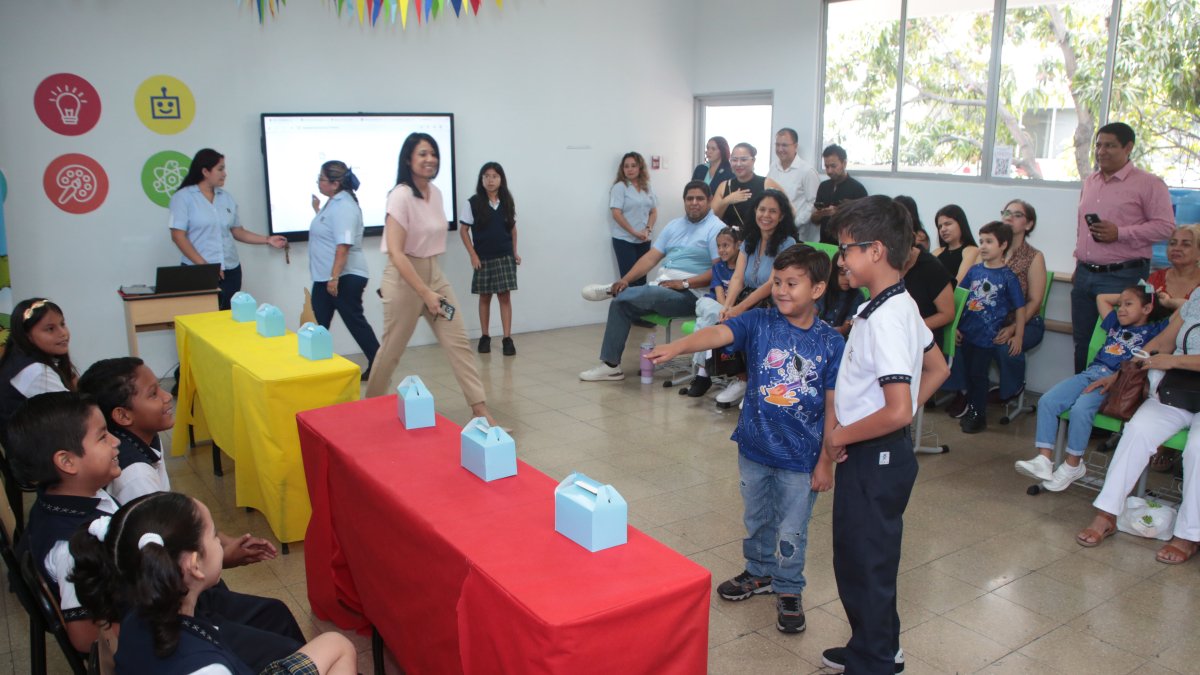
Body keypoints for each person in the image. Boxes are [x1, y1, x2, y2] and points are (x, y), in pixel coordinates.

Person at [9, 392, 307, 669]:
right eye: (102, 437)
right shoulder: (67, 546)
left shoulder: (80, 496)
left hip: (173, 603)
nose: (115, 442)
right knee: (281, 649)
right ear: (66, 461)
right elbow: (84, 637)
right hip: (163, 630)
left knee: (275, 613)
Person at [647, 244, 843, 635]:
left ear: (818, 289)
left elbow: (835, 406)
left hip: (801, 458)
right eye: (777, 282)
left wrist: (826, 460)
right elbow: (719, 332)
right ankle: (759, 571)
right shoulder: (759, 322)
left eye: (792, 283)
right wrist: (678, 346)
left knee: (792, 529)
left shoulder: (831, 343)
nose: (782, 290)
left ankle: (789, 587)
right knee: (756, 517)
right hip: (754, 446)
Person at [822, 196, 949, 675]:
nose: (842, 259)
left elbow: (896, 409)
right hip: (876, 446)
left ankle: (875, 663)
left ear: (876, 250)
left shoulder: (891, 317)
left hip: (873, 452)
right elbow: (938, 366)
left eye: (847, 249)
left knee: (865, 565)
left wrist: (846, 434)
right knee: (861, 557)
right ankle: (875, 646)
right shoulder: (892, 304)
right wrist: (894, 413)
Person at [69, 492, 358, 675]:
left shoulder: (137, 616)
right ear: (194, 565)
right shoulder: (205, 666)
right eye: (214, 537)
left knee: (332, 644)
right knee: (337, 644)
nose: (220, 543)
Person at [365, 133, 495, 426]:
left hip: (433, 273)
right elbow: (397, 253)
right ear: (409, 159)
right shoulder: (399, 195)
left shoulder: (435, 193)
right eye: (423, 154)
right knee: (391, 352)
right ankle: (368, 408)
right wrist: (424, 293)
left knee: (458, 341)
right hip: (403, 278)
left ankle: (480, 411)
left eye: (433, 154)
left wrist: (430, 287)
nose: (430, 159)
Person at [1074, 291, 1200, 565]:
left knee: (1197, 449)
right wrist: (1120, 374)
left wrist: (1173, 361)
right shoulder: (1196, 298)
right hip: (1176, 392)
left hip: (1182, 377)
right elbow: (1163, 342)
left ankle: (1189, 536)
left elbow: (1169, 356)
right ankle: (1106, 514)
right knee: (1137, 431)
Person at [1014, 286, 1167, 491]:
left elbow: (1182, 315)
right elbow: (1102, 297)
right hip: (1090, 374)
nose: (1121, 309)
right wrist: (1127, 296)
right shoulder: (1115, 322)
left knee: (1081, 409)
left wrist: (1161, 300)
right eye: (1120, 304)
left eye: (1128, 304)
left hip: (1117, 382)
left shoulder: (1155, 331)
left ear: (1147, 308)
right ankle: (1044, 460)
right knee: (1048, 401)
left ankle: (1073, 464)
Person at [578, 181, 724, 382]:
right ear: (684, 201)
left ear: (709, 201)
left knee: (649, 292)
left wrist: (684, 283)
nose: (694, 203)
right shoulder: (674, 225)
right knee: (621, 303)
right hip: (664, 288)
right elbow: (650, 258)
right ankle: (611, 366)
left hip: (692, 294)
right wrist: (625, 280)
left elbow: (719, 271)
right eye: (690, 198)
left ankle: (610, 290)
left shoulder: (716, 229)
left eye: (700, 198)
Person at [1071, 122, 1175, 373]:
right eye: (1098, 145)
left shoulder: (1149, 184)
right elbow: (1082, 229)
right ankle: (1077, 399)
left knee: (1121, 344)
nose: (1101, 151)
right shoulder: (1091, 182)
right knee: (1082, 342)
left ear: (1128, 148)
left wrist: (1121, 233)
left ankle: (1113, 405)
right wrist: (1078, 264)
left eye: (1109, 145)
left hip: (1122, 276)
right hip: (1085, 275)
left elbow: (1165, 227)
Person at [168, 149, 288, 310]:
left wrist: (267, 239)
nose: (225, 173)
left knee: (228, 321)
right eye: (220, 169)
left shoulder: (226, 197)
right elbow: (178, 236)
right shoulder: (183, 197)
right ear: (205, 171)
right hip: (199, 272)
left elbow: (238, 231)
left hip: (231, 271)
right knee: (204, 322)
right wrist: (205, 267)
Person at [717, 190, 800, 407]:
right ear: (755, 211)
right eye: (762, 209)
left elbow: (771, 283)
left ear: (781, 216)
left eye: (773, 211)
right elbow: (738, 277)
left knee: (750, 325)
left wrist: (740, 308)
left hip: (775, 301)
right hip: (748, 298)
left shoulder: (787, 243)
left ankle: (758, 386)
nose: (766, 215)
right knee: (725, 322)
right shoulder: (748, 241)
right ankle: (742, 380)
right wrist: (727, 306)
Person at [308, 160, 379, 378]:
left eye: (321, 178)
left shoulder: (344, 206)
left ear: (336, 183)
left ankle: (378, 363)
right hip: (328, 277)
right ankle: (313, 368)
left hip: (343, 277)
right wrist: (318, 210)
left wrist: (334, 277)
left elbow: (344, 245)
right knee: (319, 324)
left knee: (353, 321)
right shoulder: (334, 203)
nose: (318, 182)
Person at [955, 222, 1026, 434]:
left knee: (978, 374)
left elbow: (1021, 308)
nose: (983, 247)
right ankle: (972, 408)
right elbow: (960, 297)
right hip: (968, 332)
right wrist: (955, 327)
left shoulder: (1007, 277)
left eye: (989, 242)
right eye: (981, 241)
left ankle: (979, 414)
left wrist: (1019, 335)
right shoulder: (974, 271)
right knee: (969, 373)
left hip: (988, 337)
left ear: (1003, 245)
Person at [460, 162, 521, 356]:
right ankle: (485, 336)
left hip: (504, 256)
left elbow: (512, 228)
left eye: (494, 176)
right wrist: (473, 255)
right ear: (481, 179)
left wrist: (515, 252)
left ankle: (507, 339)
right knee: (484, 297)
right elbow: (463, 231)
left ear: (501, 179)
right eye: (486, 176)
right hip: (483, 258)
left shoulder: (507, 201)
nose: (490, 180)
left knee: (505, 297)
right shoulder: (473, 203)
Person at [990, 199, 1048, 403]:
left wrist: (1014, 328)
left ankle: (1012, 388)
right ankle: (964, 392)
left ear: (1029, 224)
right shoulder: (993, 250)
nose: (1009, 217)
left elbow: (1035, 301)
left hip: (1027, 322)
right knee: (969, 338)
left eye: (1017, 215)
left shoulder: (1034, 256)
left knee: (1005, 345)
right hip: (995, 320)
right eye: (1006, 213)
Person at [0, 298, 76, 438]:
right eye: (50, 329)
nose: (63, 333)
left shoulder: (19, 358)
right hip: (35, 454)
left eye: (62, 324)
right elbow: (75, 416)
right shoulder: (35, 371)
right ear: (27, 336)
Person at [680, 226, 741, 397]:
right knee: (715, 313)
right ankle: (703, 373)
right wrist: (726, 310)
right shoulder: (718, 268)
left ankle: (702, 374)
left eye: (726, 245)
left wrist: (728, 310)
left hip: (720, 311)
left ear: (739, 245)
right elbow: (720, 294)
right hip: (710, 302)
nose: (721, 250)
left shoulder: (743, 269)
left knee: (708, 322)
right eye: (719, 246)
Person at [608, 152, 658, 286]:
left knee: (641, 280)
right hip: (625, 240)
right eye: (626, 166)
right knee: (628, 281)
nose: (629, 169)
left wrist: (648, 229)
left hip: (644, 240)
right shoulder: (619, 187)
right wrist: (635, 232)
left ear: (640, 168)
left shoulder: (647, 186)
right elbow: (616, 213)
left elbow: (653, 211)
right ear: (622, 169)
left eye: (633, 166)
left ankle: (641, 308)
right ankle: (628, 307)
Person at [712, 142, 784, 231]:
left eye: (743, 159)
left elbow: (788, 212)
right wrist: (727, 200)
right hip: (731, 241)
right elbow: (712, 219)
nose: (738, 164)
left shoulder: (767, 183)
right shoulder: (724, 186)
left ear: (753, 160)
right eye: (734, 160)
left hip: (761, 240)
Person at [766, 129, 821, 241]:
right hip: (775, 230)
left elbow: (813, 203)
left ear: (795, 146)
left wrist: (796, 222)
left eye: (784, 145)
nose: (780, 149)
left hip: (799, 234)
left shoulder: (807, 171)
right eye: (777, 145)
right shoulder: (773, 167)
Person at [811, 144, 868, 244]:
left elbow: (864, 223)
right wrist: (821, 214)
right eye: (826, 166)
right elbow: (814, 220)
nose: (829, 171)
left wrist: (838, 213)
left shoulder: (858, 189)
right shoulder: (823, 186)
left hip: (847, 246)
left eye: (833, 166)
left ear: (844, 163)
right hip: (824, 244)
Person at [1147, 224, 1200, 312]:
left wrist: (1171, 303)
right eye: (1172, 243)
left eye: (1186, 245)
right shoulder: (1156, 277)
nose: (1176, 248)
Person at [932, 204, 979, 284]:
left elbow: (959, 283)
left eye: (948, 224)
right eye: (940, 226)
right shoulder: (936, 252)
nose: (943, 229)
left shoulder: (971, 250)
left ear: (961, 224)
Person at [821, 251, 864, 337]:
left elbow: (846, 328)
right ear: (834, 273)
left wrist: (828, 331)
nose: (847, 278)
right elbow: (813, 311)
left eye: (850, 273)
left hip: (838, 338)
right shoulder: (825, 289)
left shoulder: (857, 296)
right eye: (842, 273)